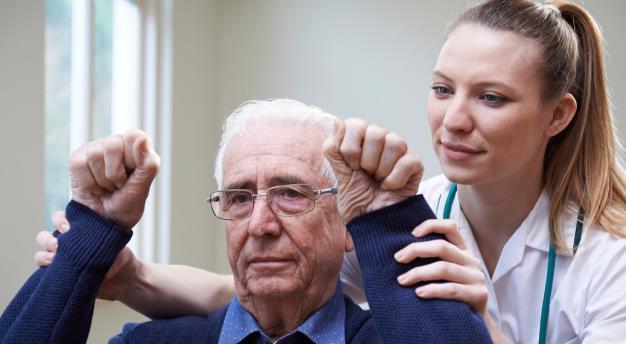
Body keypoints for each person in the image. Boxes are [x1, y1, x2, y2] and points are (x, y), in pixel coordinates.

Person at [33, 0, 626, 342]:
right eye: (443, 89)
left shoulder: (610, 259)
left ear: (558, 115)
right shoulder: (409, 212)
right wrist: (125, 275)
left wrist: (486, 330)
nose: (453, 120)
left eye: (491, 98)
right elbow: (262, 284)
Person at [0, 100, 491, 343]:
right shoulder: (155, 343)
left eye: (292, 194)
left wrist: (387, 221)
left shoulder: (394, 337)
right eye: (238, 198)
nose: (260, 224)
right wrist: (91, 231)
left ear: (347, 225)